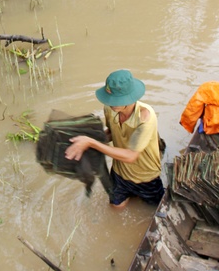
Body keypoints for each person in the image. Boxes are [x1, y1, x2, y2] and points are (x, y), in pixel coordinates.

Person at [65, 69, 165, 208]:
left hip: (145, 176)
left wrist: (92, 143)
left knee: (156, 209)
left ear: (130, 97)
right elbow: (112, 132)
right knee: (116, 208)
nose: (112, 103)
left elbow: (131, 156)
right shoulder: (110, 108)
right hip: (119, 172)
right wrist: (86, 143)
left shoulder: (145, 117)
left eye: (116, 100)